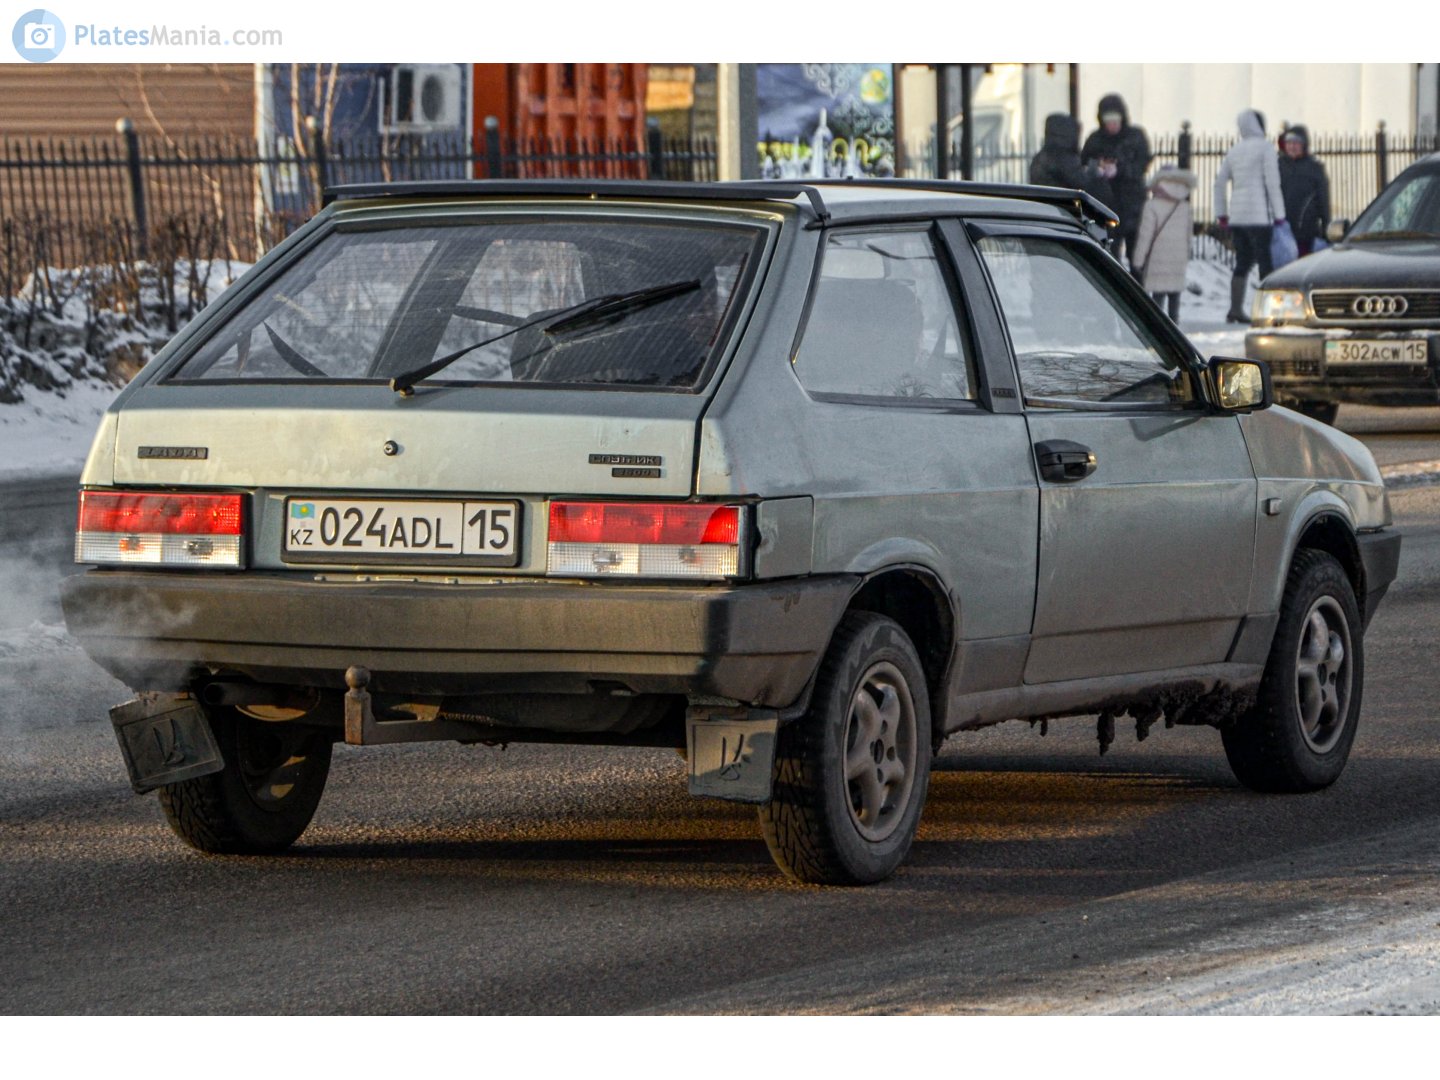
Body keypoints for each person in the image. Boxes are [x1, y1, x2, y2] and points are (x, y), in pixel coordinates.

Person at [1214, 109, 1286, 323]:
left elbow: (1219, 184)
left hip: (1237, 216)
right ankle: (1268, 311)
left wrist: (1222, 214)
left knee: (1242, 262)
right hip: (1259, 216)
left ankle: (1235, 308)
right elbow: (1273, 183)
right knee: (1266, 263)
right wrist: (1280, 215)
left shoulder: (1234, 150)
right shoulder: (1265, 148)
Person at [1080, 94, 1151, 272]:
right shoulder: (1095, 139)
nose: (1112, 124)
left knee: (1137, 257)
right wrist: (1097, 169)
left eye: (1115, 120)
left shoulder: (1135, 136)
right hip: (1107, 204)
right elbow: (1083, 163)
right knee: (1110, 254)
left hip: (1133, 205)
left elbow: (1142, 164)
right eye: (1107, 120)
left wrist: (1120, 170)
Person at [1132, 165, 1196, 324]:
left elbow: (1145, 236)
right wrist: (1186, 255)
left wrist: (1138, 261)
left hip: (1157, 259)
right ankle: (1175, 325)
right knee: (1175, 295)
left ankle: (1157, 328)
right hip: (1178, 258)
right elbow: (1189, 235)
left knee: (1158, 296)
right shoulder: (1185, 206)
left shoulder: (1152, 206)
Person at [1029, 112, 1116, 211]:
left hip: (1045, 209)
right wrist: (1095, 171)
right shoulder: (1063, 157)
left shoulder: (1041, 156)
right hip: (1064, 211)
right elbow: (1081, 181)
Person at [1278, 125, 1330, 257]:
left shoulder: (1314, 168)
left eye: (1296, 143)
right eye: (1289, 143)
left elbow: (1323, 200)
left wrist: (1326, 228)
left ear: (1304, 145)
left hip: (1305, 233)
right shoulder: (1277, 166)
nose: (1292, 147)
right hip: (1280, 230)